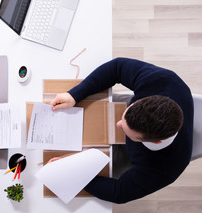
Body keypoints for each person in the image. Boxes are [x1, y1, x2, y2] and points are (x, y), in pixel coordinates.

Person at [49, 58, 194, 203]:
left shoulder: (165, 168)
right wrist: (74, 94)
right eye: (124, 118)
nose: (118, 124)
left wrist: (77, 175)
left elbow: (118, 193)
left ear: (155, 141)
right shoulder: (164, 81)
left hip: (131, 156)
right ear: (144, 99)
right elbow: (117, 67)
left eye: (127, 130)